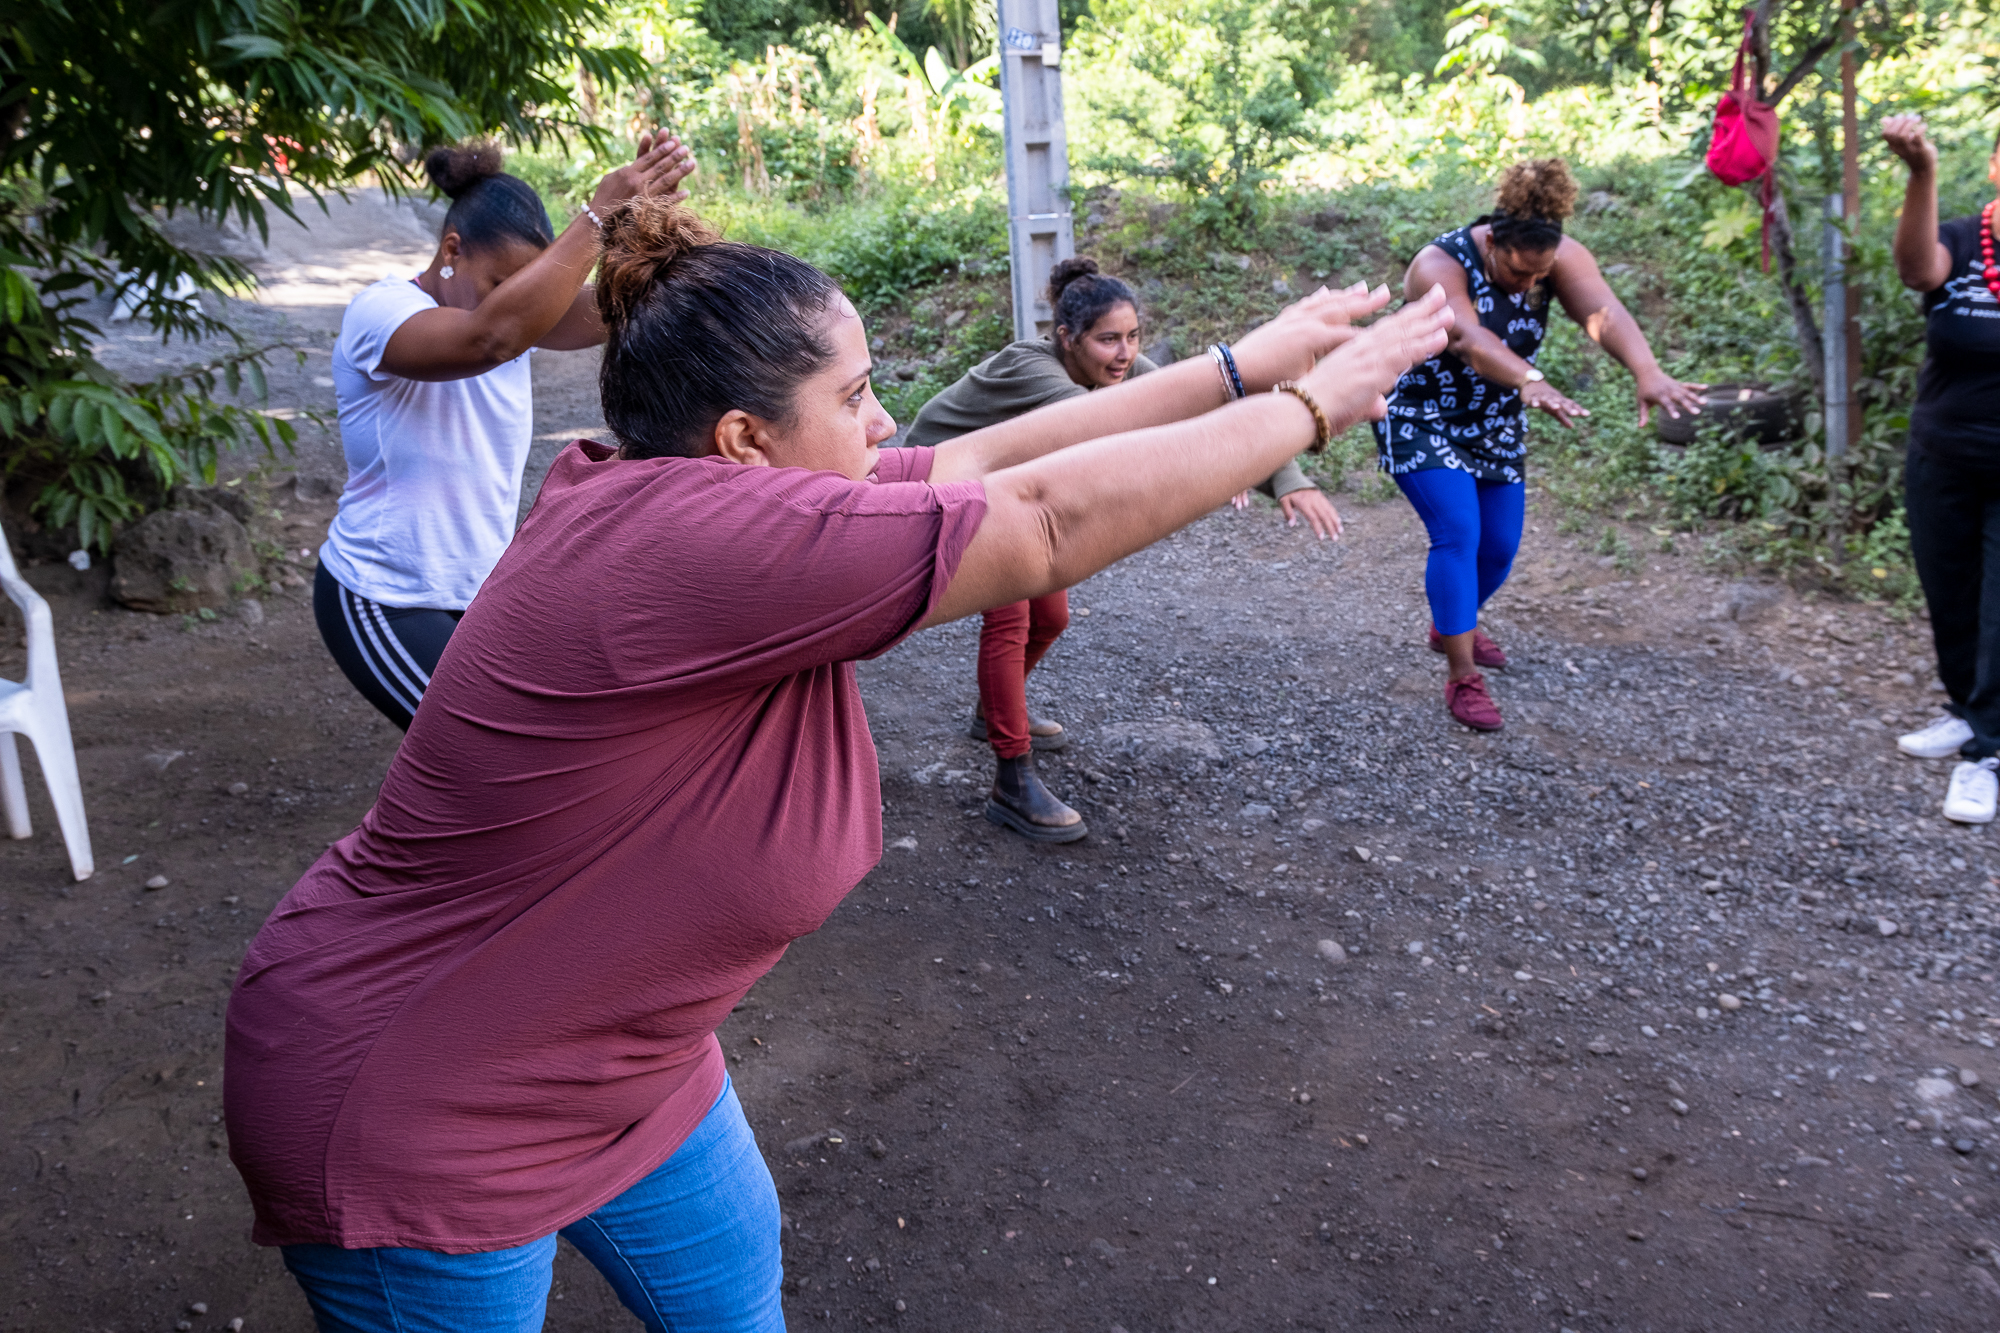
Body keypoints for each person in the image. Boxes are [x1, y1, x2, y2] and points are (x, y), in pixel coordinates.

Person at [223, 196, 1452, 1332]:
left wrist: (1244, 366)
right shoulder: (691, 545)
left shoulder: (693, 488)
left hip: (625, 1063)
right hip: (417, 1103)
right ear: (746, 437)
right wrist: (1306, 413)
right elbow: (1041, 524)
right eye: (858, 396)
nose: (883, 424)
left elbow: (995, 464)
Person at [905, 258, 1344, 841]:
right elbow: (1113, 433)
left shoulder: (1127, 368)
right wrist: (1213, 458)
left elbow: (1211, 408)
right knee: (1008, 622)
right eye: (1108, 339)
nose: (1124, 352)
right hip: (935, 492)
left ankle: (994, 713)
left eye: (1133, 337)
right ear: (1067, 338)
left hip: (1009, 490)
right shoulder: (1029, 367)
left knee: (1052, 616)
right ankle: (1013, 779)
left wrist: (1285, 476)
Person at [314, 136, 694, 729]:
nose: (520, 305)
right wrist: (594, 217)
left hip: (477, 596)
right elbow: (493, 337)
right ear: (451, 250)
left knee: (517, 764)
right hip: (384, 593)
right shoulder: (380, 311)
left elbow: (617, 307)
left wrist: (645, 226)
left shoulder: (517, 324)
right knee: (480, 756)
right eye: (500, 285)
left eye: (527, 288)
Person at [1373, 157, 1705, 732]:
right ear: (1493, 243)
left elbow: (1603, 312)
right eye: (1518, 275)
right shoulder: (1438, 264)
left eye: (1540, 276)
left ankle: (1454, 622)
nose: (1530, 287)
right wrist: (1531, 380)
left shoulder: (1555, 256)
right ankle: (1461, 676)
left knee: (1498, 548)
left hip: (1493, 414)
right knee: (1458, 532)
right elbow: (1470, 339)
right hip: (1420, 410)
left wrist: (1646, 371)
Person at [1882, 114, 2000, 823]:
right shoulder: (1959, 238)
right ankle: (1967, 708)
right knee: (1950, 594)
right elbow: (1914, 270)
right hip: (1943, 456)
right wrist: (1920, 171)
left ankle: (1987, 753)